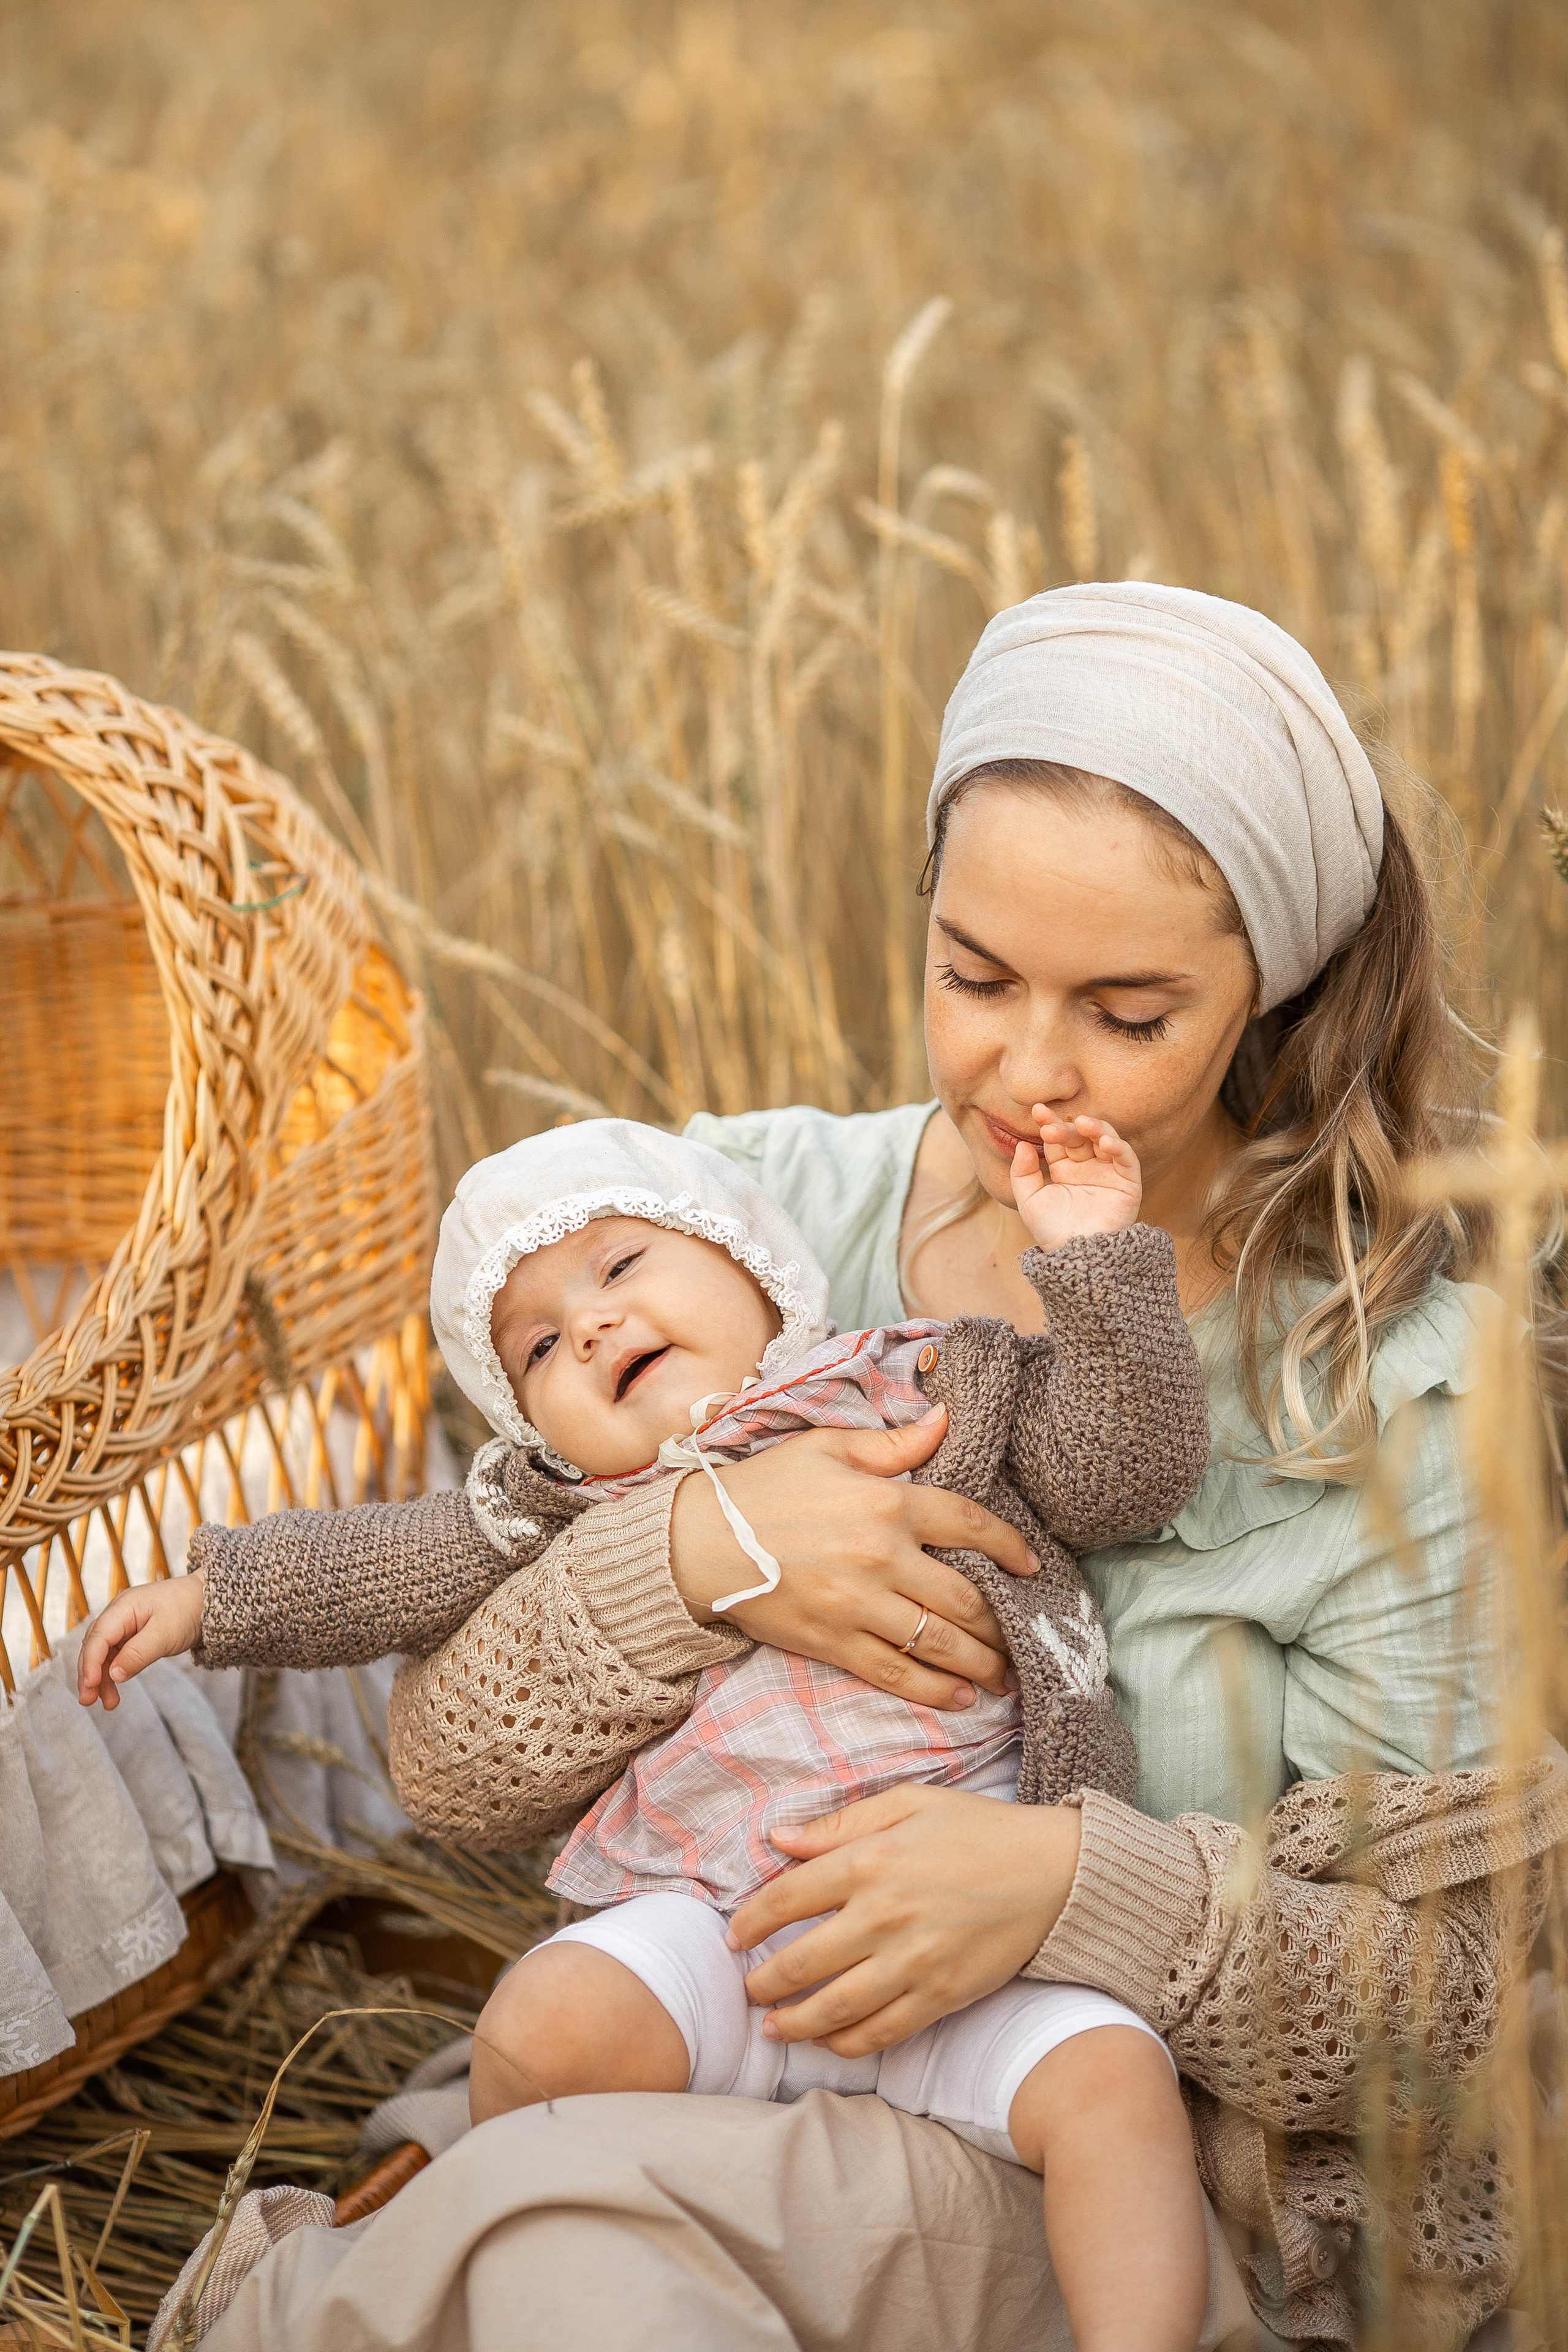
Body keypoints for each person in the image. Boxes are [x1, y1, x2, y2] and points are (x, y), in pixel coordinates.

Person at [114, 586, 1568, 2351]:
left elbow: (1465, 2010)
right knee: (545, 2205)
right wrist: (700, 1553)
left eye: (1127, 1013)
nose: (1025, 1066)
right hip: (747, 2027)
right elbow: (452, 1768)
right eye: (972, 976)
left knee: (543, 2248)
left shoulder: (1397, 1393)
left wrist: (1070, 1888)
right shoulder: (730, 1227)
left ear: (1280, 988)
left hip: (1108, 2154)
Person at [85, 1102, 1215, 2352]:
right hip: (721, 1927)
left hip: (978, 1922)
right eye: (537, 1349)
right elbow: (377, 1565)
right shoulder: (561, 1505)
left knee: (1115, 2089)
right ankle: (526, 2261)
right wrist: (212, 1597)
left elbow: (1124, 1469)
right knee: (544, 2023)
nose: (592, 1324)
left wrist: (1096, 1260)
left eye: (619, 1265)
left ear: (752, 1261)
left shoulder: (929, 1384)